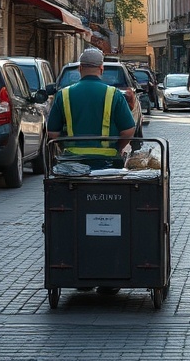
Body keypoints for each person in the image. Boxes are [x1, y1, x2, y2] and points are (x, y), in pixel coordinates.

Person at [46, 46, 136, 295]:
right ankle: (110, 277)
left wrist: (66, 150)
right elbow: (128, 129)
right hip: (107, 170)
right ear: (101, 69)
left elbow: (52, 133)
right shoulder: (113, 94)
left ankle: (80, 276)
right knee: (110, 222)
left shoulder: (64, 95)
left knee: (74, 222)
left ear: (79, 69)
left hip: (72, 171)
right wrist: (116, 149)